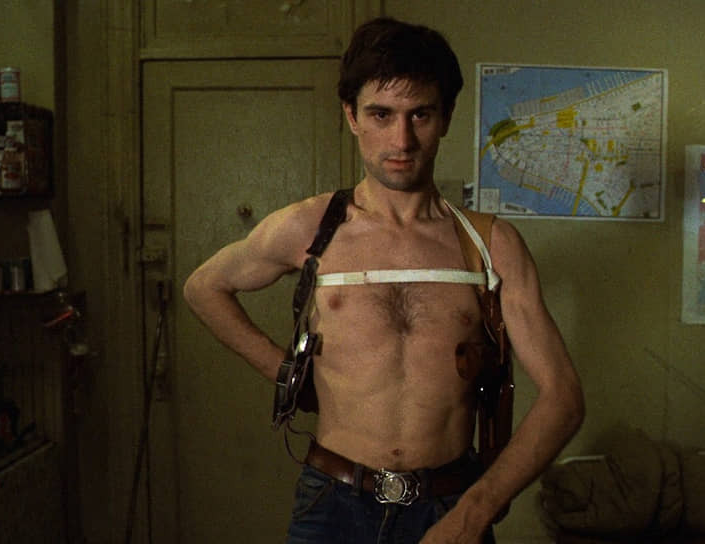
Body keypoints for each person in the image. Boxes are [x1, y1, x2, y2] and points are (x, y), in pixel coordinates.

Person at [183, 16, 584, 544]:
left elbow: (563, 397)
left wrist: (474, 512)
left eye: (421, 114)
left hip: (449, 505)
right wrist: (287, 374)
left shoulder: (491, 244)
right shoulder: (311, 228)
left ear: (446, 117)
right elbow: (204, 287)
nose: (402, 139)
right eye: (381, 114)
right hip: (332, 503)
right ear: (351, 115)